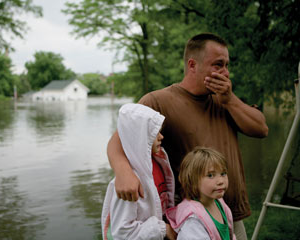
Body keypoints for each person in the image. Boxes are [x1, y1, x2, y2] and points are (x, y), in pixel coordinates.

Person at [107, 32, 269, 239]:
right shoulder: (159, 101)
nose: (226, 73)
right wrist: (123, 173)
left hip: (230, 215)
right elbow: (118, 142)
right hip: (192, 220)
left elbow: (261, 129)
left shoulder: (226, 100)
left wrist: (229, 100)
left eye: (227, 65)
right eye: (218, 65)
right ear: (192, 65)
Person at [101, 103, 177, 240]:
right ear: (140, 136)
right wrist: (163, 229)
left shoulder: (159, 163)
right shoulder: (129, 183)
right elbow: (122, 233)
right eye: (155, 133)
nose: (161, 137)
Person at [165, 147, 236, 240]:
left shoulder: (219, 202)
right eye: (210, 175)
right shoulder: (192, 219)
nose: (221, 181)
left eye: (223, 174)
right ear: (192, 180)